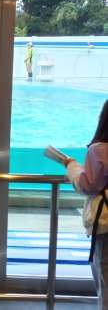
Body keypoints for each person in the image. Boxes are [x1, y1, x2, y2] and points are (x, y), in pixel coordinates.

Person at [64, 100, 108, 310]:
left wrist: (72, 167)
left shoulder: (99, 150)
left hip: (106, 225)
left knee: (105, 282)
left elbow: (88, 185)